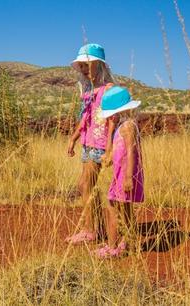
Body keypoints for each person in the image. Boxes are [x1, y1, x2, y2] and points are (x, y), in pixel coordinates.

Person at [65, 43, 117, 244]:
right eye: (81, 67)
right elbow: (85, 118)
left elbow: (114, 119)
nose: (84, 70)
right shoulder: (88, 92)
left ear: (99, 65)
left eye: (87, 65)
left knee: (85, 184)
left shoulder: (108, 90)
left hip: (101, 144)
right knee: (86, 185)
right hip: (88, 143)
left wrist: (111, 148)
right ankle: (94, 228)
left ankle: (90, 230)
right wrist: (73, 137)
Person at [92, 86, 144, 258]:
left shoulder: (128, 126)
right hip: (121, 174)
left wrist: (128, 177)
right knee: (125, 209)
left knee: (113, 208)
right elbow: (117, 150)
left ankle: (112, 247)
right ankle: (129, 242)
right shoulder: (124, 125)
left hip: (125, 176)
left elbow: (131, 151)